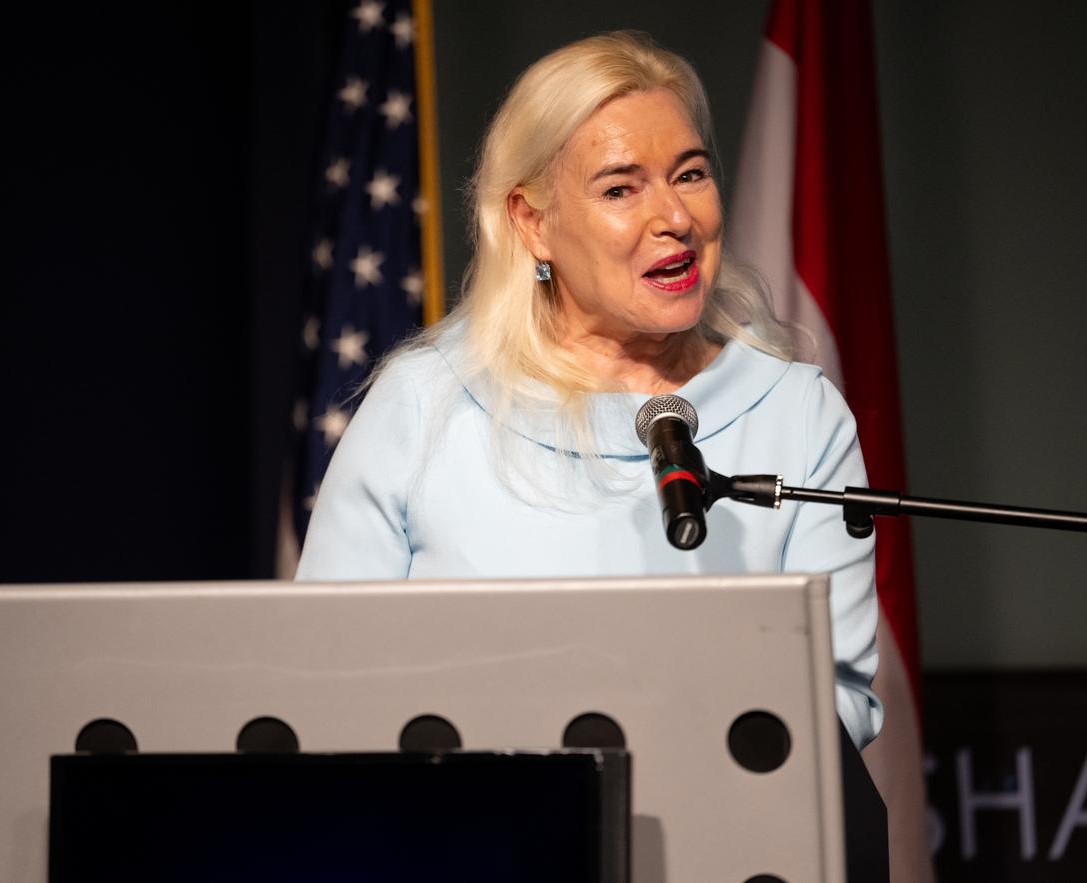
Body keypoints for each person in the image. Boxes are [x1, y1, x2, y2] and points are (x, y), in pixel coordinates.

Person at [296, 31, 881, 749]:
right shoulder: (425, 405)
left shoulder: (798, 416)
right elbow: (321, 677)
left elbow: (840, 699)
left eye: (690, 174)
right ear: (533, 222)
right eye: (620, 189)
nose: (675, 219)